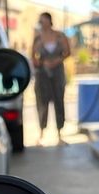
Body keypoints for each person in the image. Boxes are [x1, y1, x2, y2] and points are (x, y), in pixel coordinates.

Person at [31, 12, 70, 146]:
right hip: (42, 75)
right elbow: (33, 57)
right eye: (40, 21)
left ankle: (59, 134)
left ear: (49, 21)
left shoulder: (59, 36)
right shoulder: (38, 37)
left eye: (44, 20)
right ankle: (41, 134)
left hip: (58, 73)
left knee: (59, 101)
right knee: (42, 103)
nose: (42, 23)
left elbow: (67, 52)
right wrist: (42, 63)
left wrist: (57, 61)